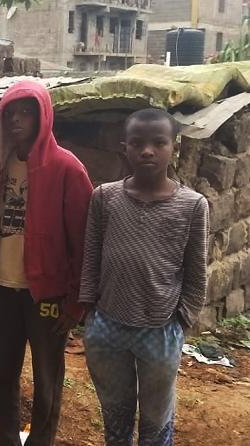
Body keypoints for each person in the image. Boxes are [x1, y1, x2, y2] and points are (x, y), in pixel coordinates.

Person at [79, 108, 209, 445]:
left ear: (173, 148)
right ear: (125, 147)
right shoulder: (104, 197)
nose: (147, 150)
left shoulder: (192, 206)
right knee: (115, 414)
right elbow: (91, 256)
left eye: (158, 143)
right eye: (137, 143)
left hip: (161, 329)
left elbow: (196, 272)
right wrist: (89, 311)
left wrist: (182, 319)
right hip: (107, 326)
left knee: (155, 419)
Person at [0, 80, 93, 446]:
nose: (17, 121)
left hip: (46, 297)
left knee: (46, 381)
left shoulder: (66, 169)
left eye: (28, 112)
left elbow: (84, 240)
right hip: (0, 288)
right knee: (1, 379)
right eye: (11, 112)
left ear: (44, 116)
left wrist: (75, 302)